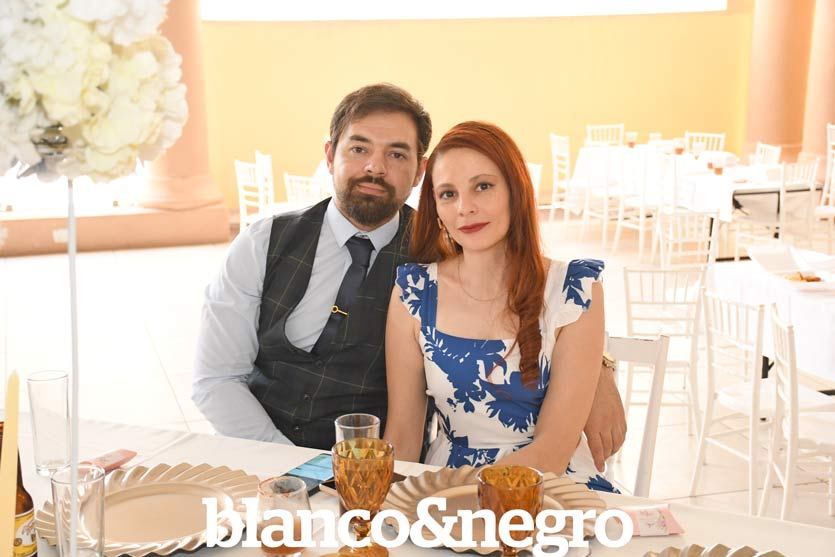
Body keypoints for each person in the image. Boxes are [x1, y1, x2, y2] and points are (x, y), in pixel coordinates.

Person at [192, 84, 624, 468]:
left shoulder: (442, 249)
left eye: (396, 154)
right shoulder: (263, 243)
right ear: (329, 155)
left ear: (419, 171)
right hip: (264, 459)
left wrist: (598, 369)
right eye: (359, 149)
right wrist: (290, 468)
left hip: (385, 467)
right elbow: (216, 380)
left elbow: (541, 298)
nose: (375, 167)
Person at [383, 121, 617, 490]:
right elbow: (403, 435)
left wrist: (458, 503)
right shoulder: (414, 290)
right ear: (436, 209)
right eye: (448, 194)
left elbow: (553, 450)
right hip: (444, 486)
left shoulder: (575, 288)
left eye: (483, 186)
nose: (465, 208)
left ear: (515, 190)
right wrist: (387, 507)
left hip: (548, 487)